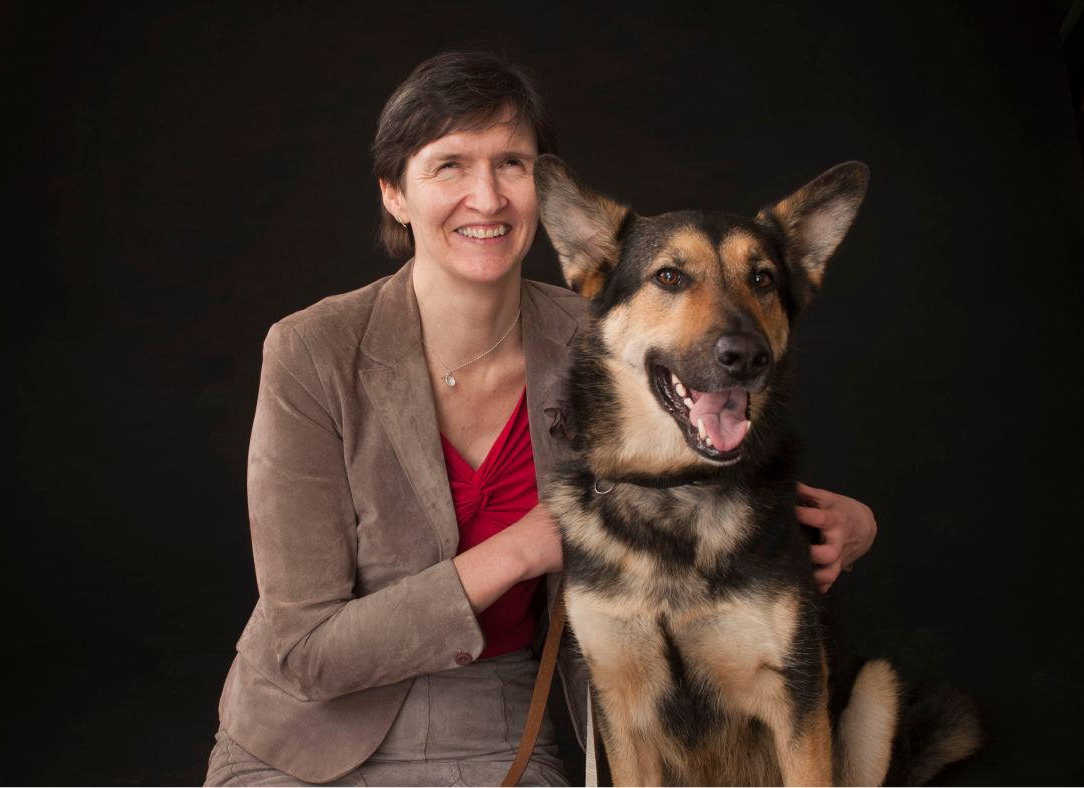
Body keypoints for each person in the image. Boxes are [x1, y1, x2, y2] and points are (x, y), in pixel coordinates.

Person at [203, 51, 877, 788]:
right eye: (449, 166)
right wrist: (522, 550)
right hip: (304, 733)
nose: (486, 198)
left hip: (495, 723)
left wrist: (852, 521)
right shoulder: (312, 350)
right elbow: (305, 652)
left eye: (513, 164)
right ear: (394, 193)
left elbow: (705, 456)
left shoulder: (606, 336)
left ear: (546, 196)